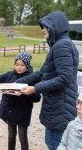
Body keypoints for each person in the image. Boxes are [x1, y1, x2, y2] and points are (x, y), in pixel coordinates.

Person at [16, 11, 79, 150]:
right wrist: (17, 82)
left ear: (55, 27)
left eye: (45, 26)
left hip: (60, 108)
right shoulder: (59, 45)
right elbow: (42, 72)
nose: (43, 30)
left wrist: (35, 88)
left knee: (55, 145)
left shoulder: (61, 46)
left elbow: (65, 77)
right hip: (57, 107)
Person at [0, 51, 41, 150]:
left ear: (27, 65)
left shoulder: (32, 78)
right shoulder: (10, 75)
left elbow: (37, 97)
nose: (19, 67)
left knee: (23, 137)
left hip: (23, 114)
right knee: (11, 135)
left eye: (22, 65)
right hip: (10, 111)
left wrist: (27, 92)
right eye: (17, 64)